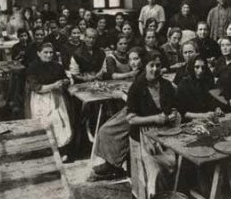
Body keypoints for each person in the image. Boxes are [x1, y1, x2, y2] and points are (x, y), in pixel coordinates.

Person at [126, 50, 179, 197]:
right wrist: (154, 119)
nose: (155, 69)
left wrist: (173, 114)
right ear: (145, 66)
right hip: (142, 136)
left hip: (163, 134)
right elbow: (130, 119)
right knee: (150, 172)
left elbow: (172, 107)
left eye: (158, 65)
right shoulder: (136, 87)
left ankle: (164, 195)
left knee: (171, 166)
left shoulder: (167, 85)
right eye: (151, 65)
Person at [90, 46, 146, 181]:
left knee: (106, 131)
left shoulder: (144, 76)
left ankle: (113, 165)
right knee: (106, 127)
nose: (133, 62)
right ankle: (112, 163)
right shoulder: (138, 74)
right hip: (131, 109)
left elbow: (141, 104)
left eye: (136, 59)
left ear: (143, 60)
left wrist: (122, 95)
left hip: (139, 114)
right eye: (131, 59)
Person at [26, 42, 74, 162]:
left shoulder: (57, 66)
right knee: (45, 122)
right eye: (45, 52)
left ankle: (60, 150)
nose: (48, 55)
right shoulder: (33, 67)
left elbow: (64, 78)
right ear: (39, 53)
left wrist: (65, 81)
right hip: (40, 98)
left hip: (56, 97)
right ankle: (46, 151)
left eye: (51, 52)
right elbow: (37, 88)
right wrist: (54, 85)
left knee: (60, 121)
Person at [176, 54, 223, 121]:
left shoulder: (208, 82)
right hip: (190, 121)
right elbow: (182, 113)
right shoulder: (184, 84)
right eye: (197, 67)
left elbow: (213, 101)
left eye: (203, 67)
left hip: (208, 119)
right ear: (191, 67)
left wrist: (217, 108)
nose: (200, 71)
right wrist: (202, 115)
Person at [8, 29, 31, 113]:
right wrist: (19, 55)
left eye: (25, 36)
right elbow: (13, 60)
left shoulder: (30, 45)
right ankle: (16, 101)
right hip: (20, 67)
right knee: (16, 78)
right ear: (18, 37)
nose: (23, 38)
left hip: (29, 66)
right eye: (21, 36)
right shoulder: (15, 47)